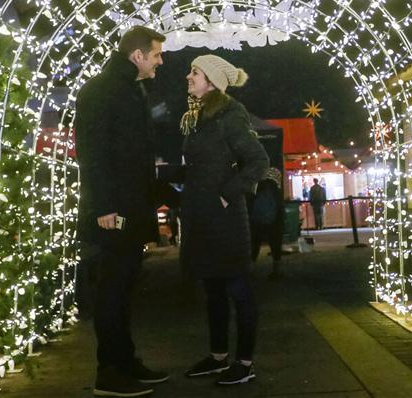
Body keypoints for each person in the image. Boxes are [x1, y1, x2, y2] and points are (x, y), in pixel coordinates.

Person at [75, 25, 167, 397]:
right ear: (137, 55)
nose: (160, 62)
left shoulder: (130, 89)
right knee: (112, 288)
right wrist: (105, 206)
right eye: (156, 54)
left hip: (129, 206)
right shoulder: (102, 90)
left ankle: (125, 360)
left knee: (125, 285)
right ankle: (109, 371)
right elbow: (92, 151)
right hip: (114, 211)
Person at [178, 55, 269, 386]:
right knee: (213, 289)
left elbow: (258, 161)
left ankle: (244, 363)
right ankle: (218, 357)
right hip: (204, 218)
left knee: (238, 290)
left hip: (226, 220)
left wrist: (227, 194)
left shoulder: (230, 114)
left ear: (212, 81)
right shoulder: (201, 115)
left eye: (195, 72)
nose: (188, 77)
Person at [249, 168, 285, 279]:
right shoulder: (276, 190)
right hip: (273, 224)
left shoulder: (258, 188)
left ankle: (250, 271)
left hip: (257, 222)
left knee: (255, 246)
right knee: (275, 246)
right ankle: (276, 271)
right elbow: (280, 209)